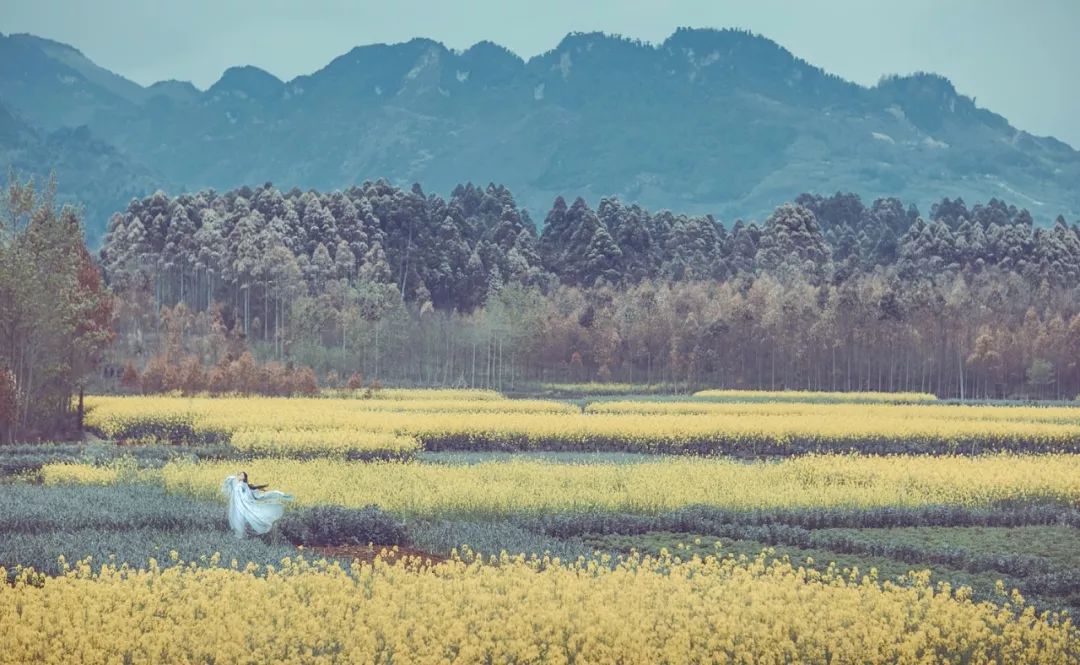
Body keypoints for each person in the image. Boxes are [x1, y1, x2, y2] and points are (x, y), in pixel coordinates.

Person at [221, 471, 294, 539]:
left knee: (239, 519)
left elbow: (247, 494)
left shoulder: (244, 485)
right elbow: (229, 485)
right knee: (237, 519)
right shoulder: (236, 483)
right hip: (236, 505)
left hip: (242, 505)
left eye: (242, 475)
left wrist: (279, 494)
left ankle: (240, 536)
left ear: (244, 478)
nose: (240, 476)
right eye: (240, 475)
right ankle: (239, 536)